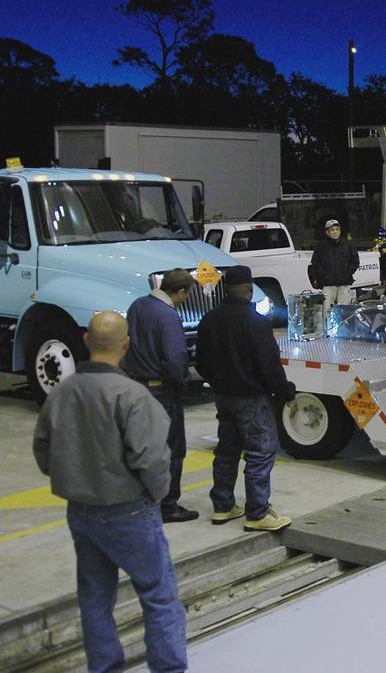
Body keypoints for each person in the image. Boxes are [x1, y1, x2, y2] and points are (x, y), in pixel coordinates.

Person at [33, 311, 188, 673]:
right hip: (130, 512)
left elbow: (44, 451)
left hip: (81, 512)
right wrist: (158, 494)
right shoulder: (132, 395)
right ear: (126, 344)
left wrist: (75, 480)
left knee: (95, 596)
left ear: (86, 340)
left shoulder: (61, 393)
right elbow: (151, 459)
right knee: (158, 595)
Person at [197, 264, 296, 531]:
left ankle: (223, 506)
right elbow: (269, 363)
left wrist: (218, 382)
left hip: (223, 396)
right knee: (260, 453)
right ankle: (257, 513)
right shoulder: (255, 322)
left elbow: (200, 362)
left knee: (227, 450)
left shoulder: (209, 319)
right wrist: (284, 390)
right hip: (251, 398)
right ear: (249, 289)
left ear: (226, 289)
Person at [123, 268, 199, 522]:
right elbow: (176, 356)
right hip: (162, 391)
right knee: (172, 450)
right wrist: (184, 382)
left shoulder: (137, 306)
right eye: (184, 295)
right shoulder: (167, 316)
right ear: (179, 292)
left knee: (143, 448)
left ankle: (144, 499)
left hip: (136, 385)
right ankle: (168, 505)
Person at [311, 217, 359, 317]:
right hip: (328, 285)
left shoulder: (347, 245)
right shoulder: (321, 246)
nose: (335, 232)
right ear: (327, 232)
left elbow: (355, 261)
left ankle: (343, 331)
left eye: (337, 229)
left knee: (344, 311)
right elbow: (315, 263)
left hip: (344, 285)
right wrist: (324, 276)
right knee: (327, 311)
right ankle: (328, 331)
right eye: (332, 230)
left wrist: (347, 275)